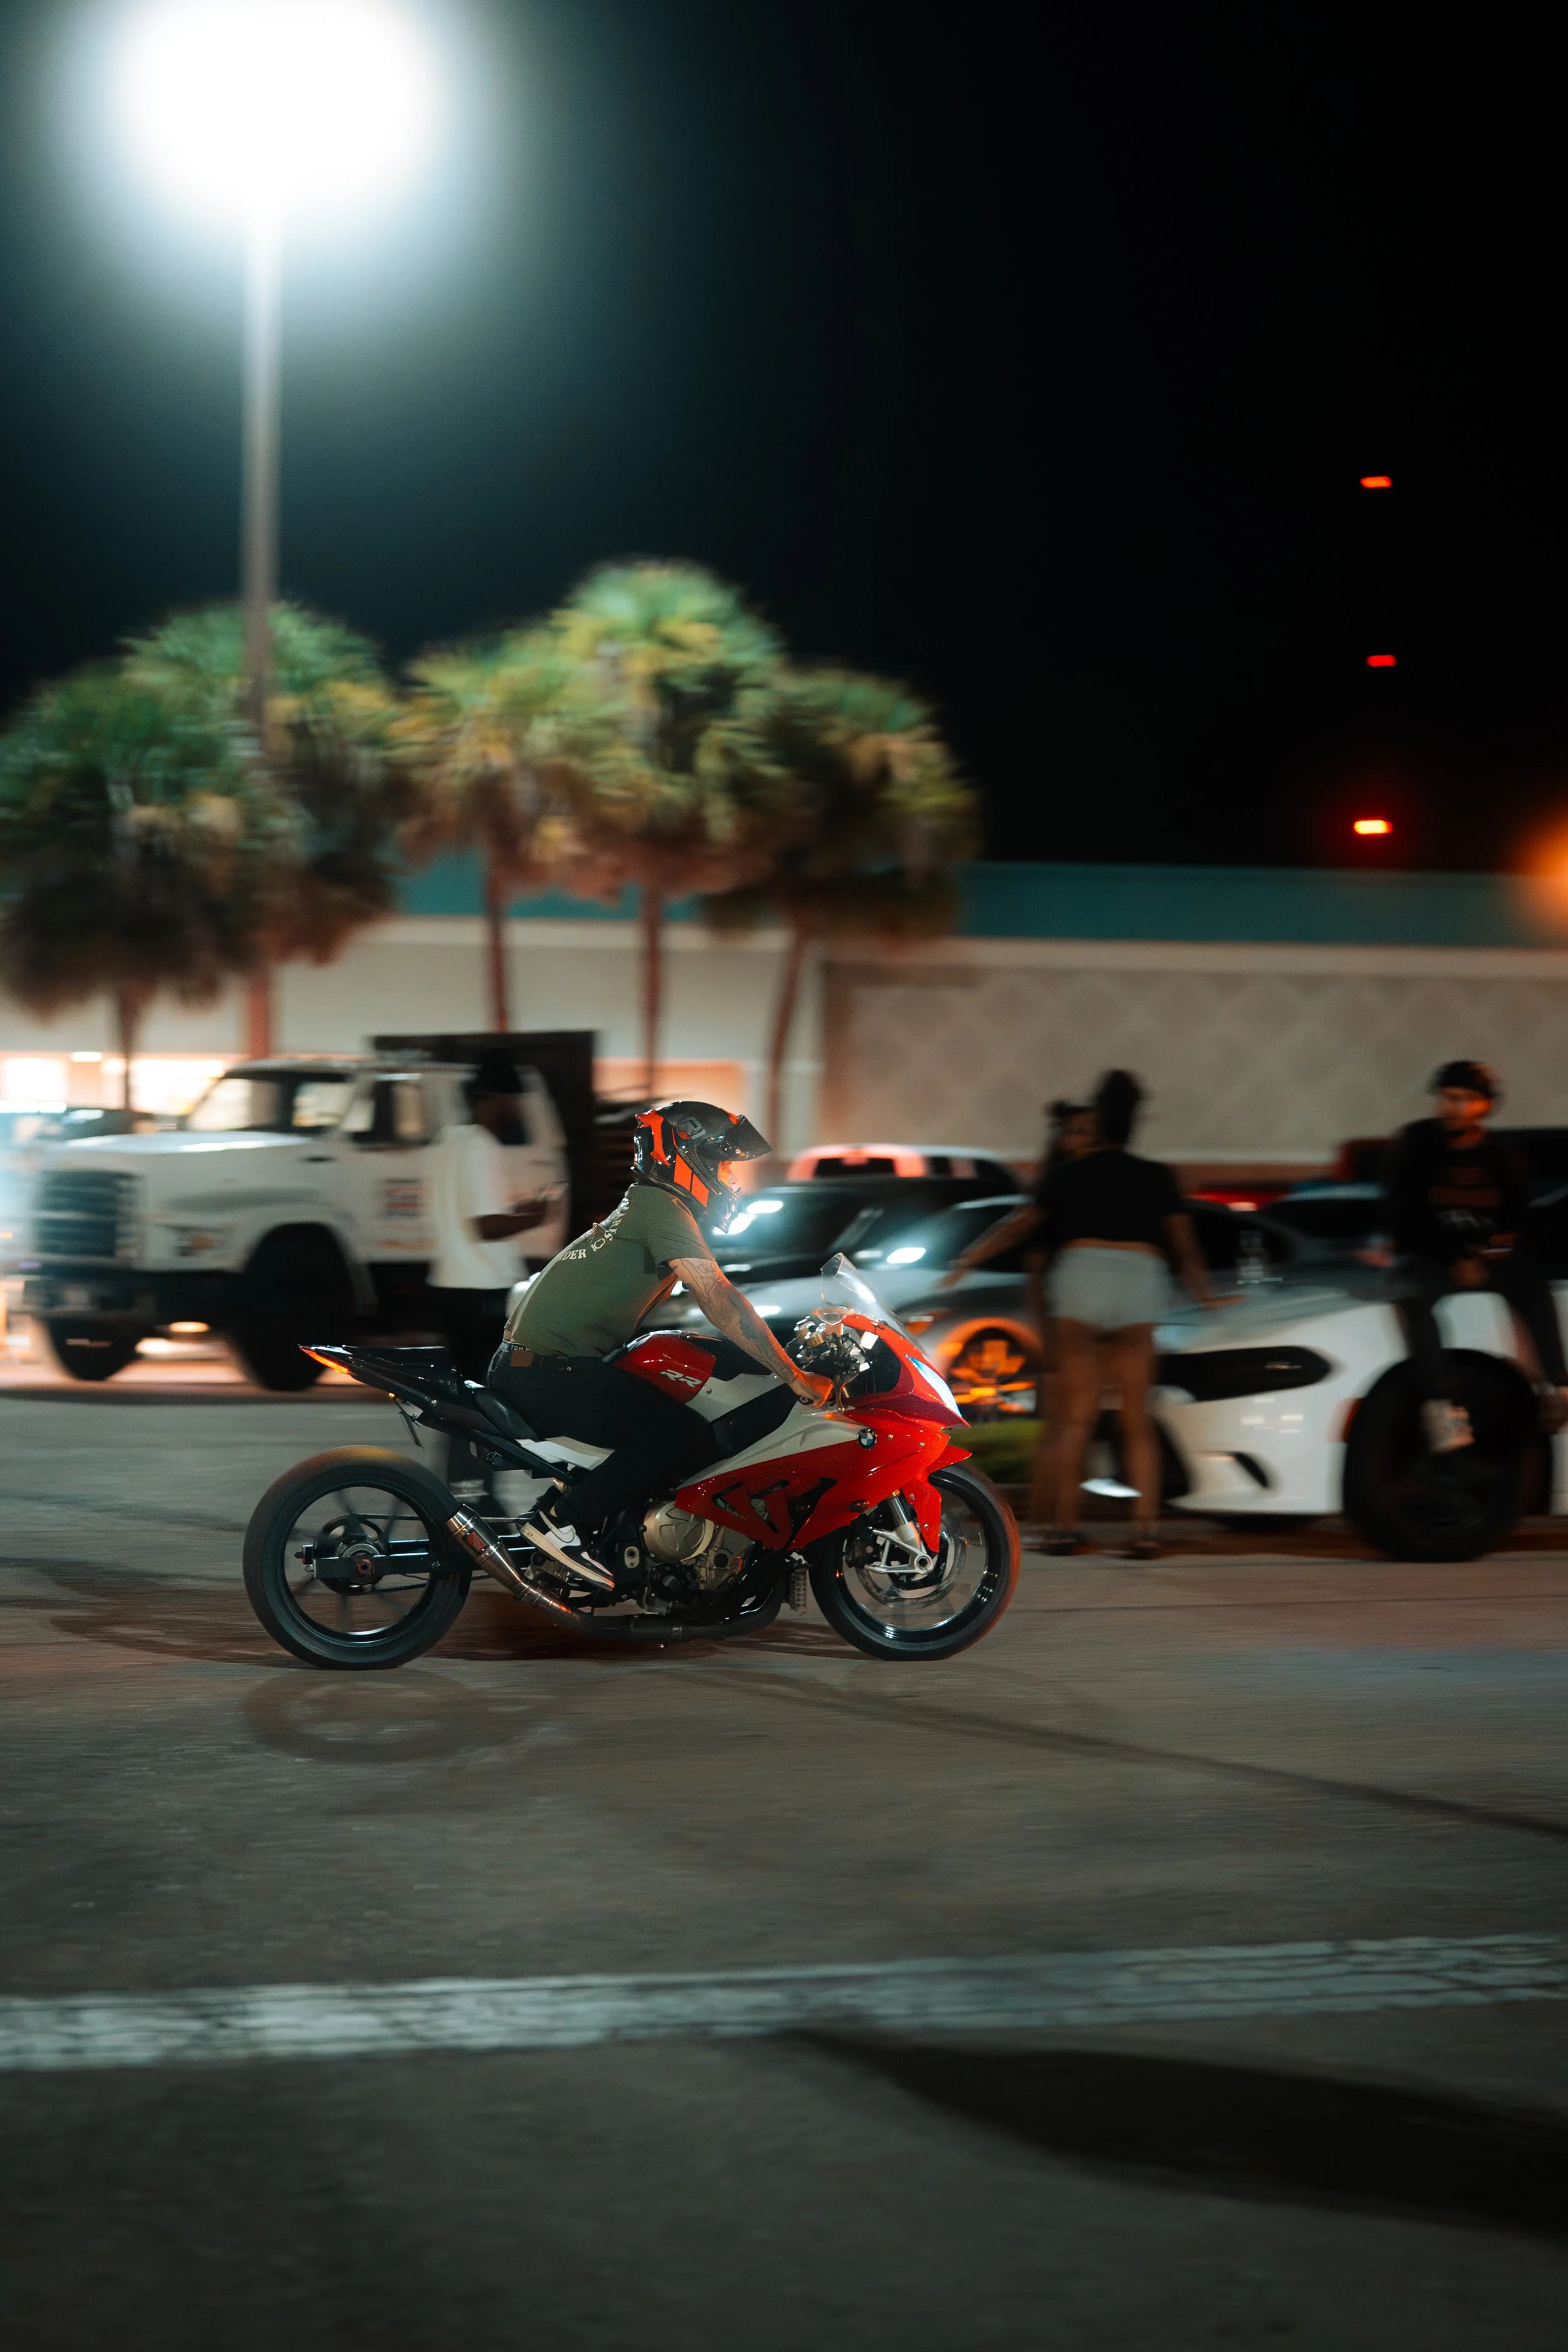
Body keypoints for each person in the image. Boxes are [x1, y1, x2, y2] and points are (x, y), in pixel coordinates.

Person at [491, 1100, 832, 1591]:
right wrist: (794, 1376)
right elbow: (718, 1298)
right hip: (548, 1373)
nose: (730, 1177)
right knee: (682, 1438)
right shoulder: (661, 1208)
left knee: (660, 1410)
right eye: (724, 1162)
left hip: (543, 1366)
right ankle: (559, 1526)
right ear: (687, 1156)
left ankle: (583, 1524)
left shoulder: (651, 1205)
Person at [1030, 1069, 1214, 1559]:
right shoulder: (1156, 1176)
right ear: (1135, 1122)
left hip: (1082, 1276)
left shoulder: (1067, 1175)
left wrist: (968, 1260)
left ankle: (1065, 1529)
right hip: (1138, 1277)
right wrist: (1207, 1294)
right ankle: (1146, 1530)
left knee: (1074, 1421)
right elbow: (1185, 1247)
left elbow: (1024, 1225)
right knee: (1137, 1420)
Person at [1372, 1060, 1568, 1451]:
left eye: (1464, 1100)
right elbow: (1404, 1215)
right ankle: (1443, 1408)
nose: (1452, 1107)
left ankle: (1559, 1388)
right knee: (1411, 1291)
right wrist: (1457, 1255)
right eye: (1447, 1098)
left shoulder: (1502, 1158)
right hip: (1431, 1254)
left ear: (1486, 1106)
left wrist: (1487, 1253)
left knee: (1532, 1285)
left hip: (1488, 1256)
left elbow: (1517, 1221)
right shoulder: (1416, 1144)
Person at [427, 1051, 556, 1382]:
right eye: (512, 1100)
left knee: (466, 1386)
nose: (516, 1109)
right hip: (482, 1289)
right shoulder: (482, 1146)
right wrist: (538, 1217)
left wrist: (519, 1210)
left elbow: (467, 1213)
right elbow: (487, 1227)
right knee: (489, 1388)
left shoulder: (449, 1141)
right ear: (493, 1099)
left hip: (451, 1285)